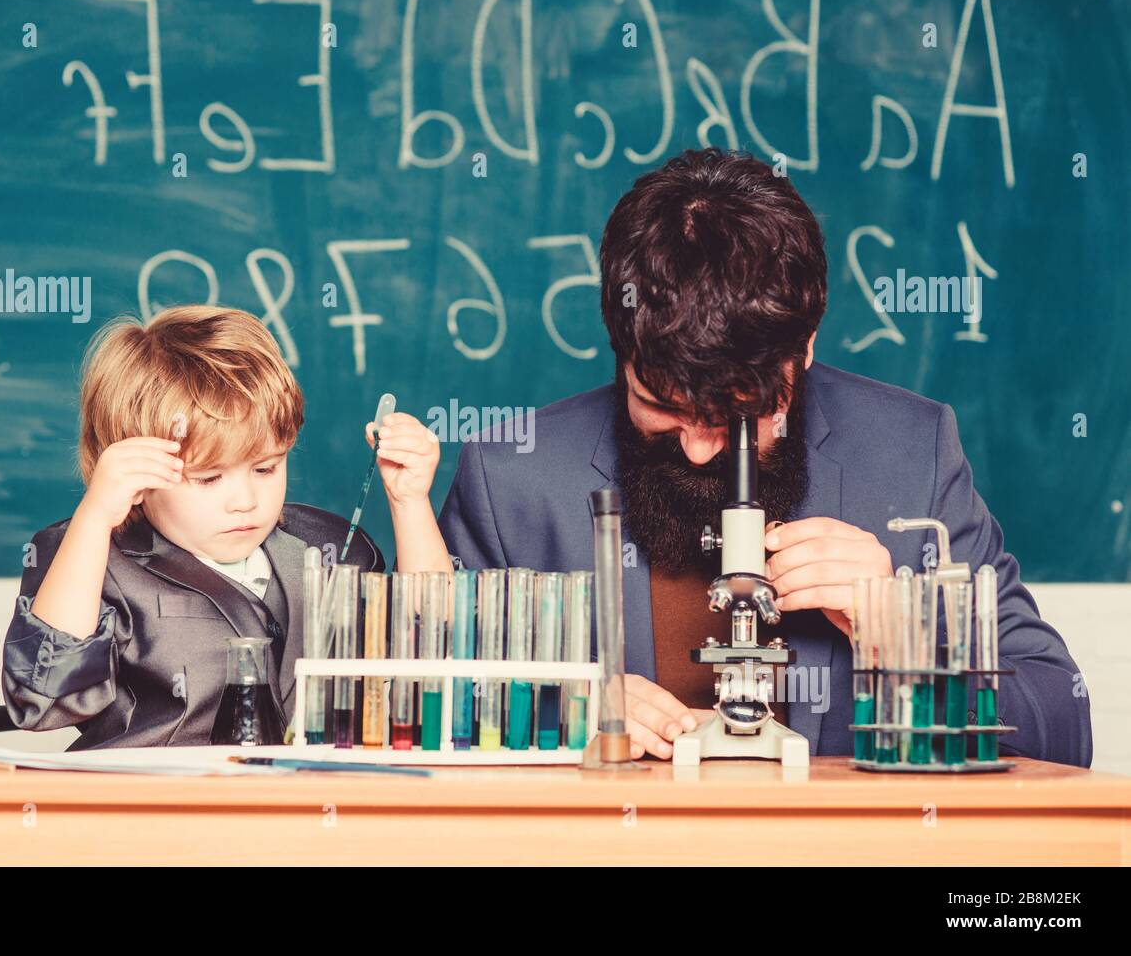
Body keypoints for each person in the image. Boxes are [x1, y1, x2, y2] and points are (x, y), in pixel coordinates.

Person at [437, 148, 1092, 767]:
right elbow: (427, 721)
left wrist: (900, 630)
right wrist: (560, 716)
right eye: (661, 407)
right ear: (619, 342)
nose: (695, 449)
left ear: (802, 348)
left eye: (734, 420)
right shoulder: (511, 477)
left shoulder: (912, 451)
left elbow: (1065, 724)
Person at [1, 304, 451, 749]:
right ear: (136, 470)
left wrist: (409, 501)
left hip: (313, 807)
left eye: (266, 468)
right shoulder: (90, 554)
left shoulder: (331, 547)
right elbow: (44, 700)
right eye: (209, 478)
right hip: (153, 810)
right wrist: (95, 518)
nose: (245, 501)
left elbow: (434, 652)